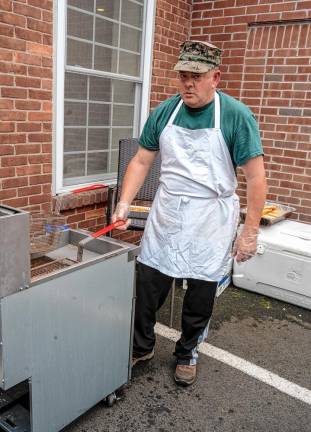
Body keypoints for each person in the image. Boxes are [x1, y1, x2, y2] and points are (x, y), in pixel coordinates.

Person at [112, 40, 266, 386]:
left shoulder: (236, 116)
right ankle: (142, 345)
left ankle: (187, 352)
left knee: (200, 291)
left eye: (196, 76)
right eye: (183, 74)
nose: (188, 83)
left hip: (211, 216)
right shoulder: (165, 112)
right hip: (168, 209)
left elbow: (256, 179)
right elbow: (141, 160)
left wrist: (250, 232)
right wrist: (124, 203)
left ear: (216, 76)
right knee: (149, 282)